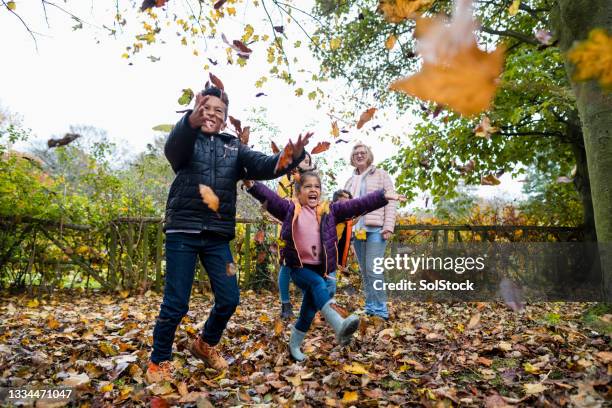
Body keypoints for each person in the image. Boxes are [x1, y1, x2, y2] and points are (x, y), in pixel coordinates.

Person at [146, 85, 312, 384]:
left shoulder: (234, 148)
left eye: (218, 111)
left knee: (230, 298)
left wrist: (292, 155)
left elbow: (264, 165)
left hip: (218, 236)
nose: (211, 115)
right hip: (182, 231)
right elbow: (173, 149)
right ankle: (159, 361)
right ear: (197, 111)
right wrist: (189, 123)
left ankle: (206, 344)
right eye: (206, 109)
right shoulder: (186, 139)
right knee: (176, 303)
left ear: (225, 119)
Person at [244, 172, 403, 361]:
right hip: (299, 268)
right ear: (298, 192)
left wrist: (382, 196)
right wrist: (252, 184)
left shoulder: (330, 211)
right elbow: (269, 197)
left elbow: (357, 204)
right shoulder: (290, 209)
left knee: (308, 311)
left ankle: (294, 346)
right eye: (307, 187)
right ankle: (339, 324)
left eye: (317, 187)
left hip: (320, 268)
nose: (313, 190)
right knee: (318, 285)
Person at [344, 143, 397, 321]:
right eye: (356, 153)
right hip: (357, 231)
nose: (359, 155)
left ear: (369, 155)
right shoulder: (350, 181)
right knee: (365, 270)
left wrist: (388, 226)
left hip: (375, 229)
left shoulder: (381, 175)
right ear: (352, 157)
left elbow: (391, 201)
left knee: (373, 270)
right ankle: (370, 307)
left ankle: (381, 311)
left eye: (363, 152)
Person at [277, 154, 316, 319]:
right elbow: (282, 201)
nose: (306, 161)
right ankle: (285, 304)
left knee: (308, 264)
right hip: (289, 226)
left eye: (308, 160)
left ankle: (309, 304)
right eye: (303, 159)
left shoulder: (313, 179)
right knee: (286, 264)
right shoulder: (286, 178)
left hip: (308, 227)